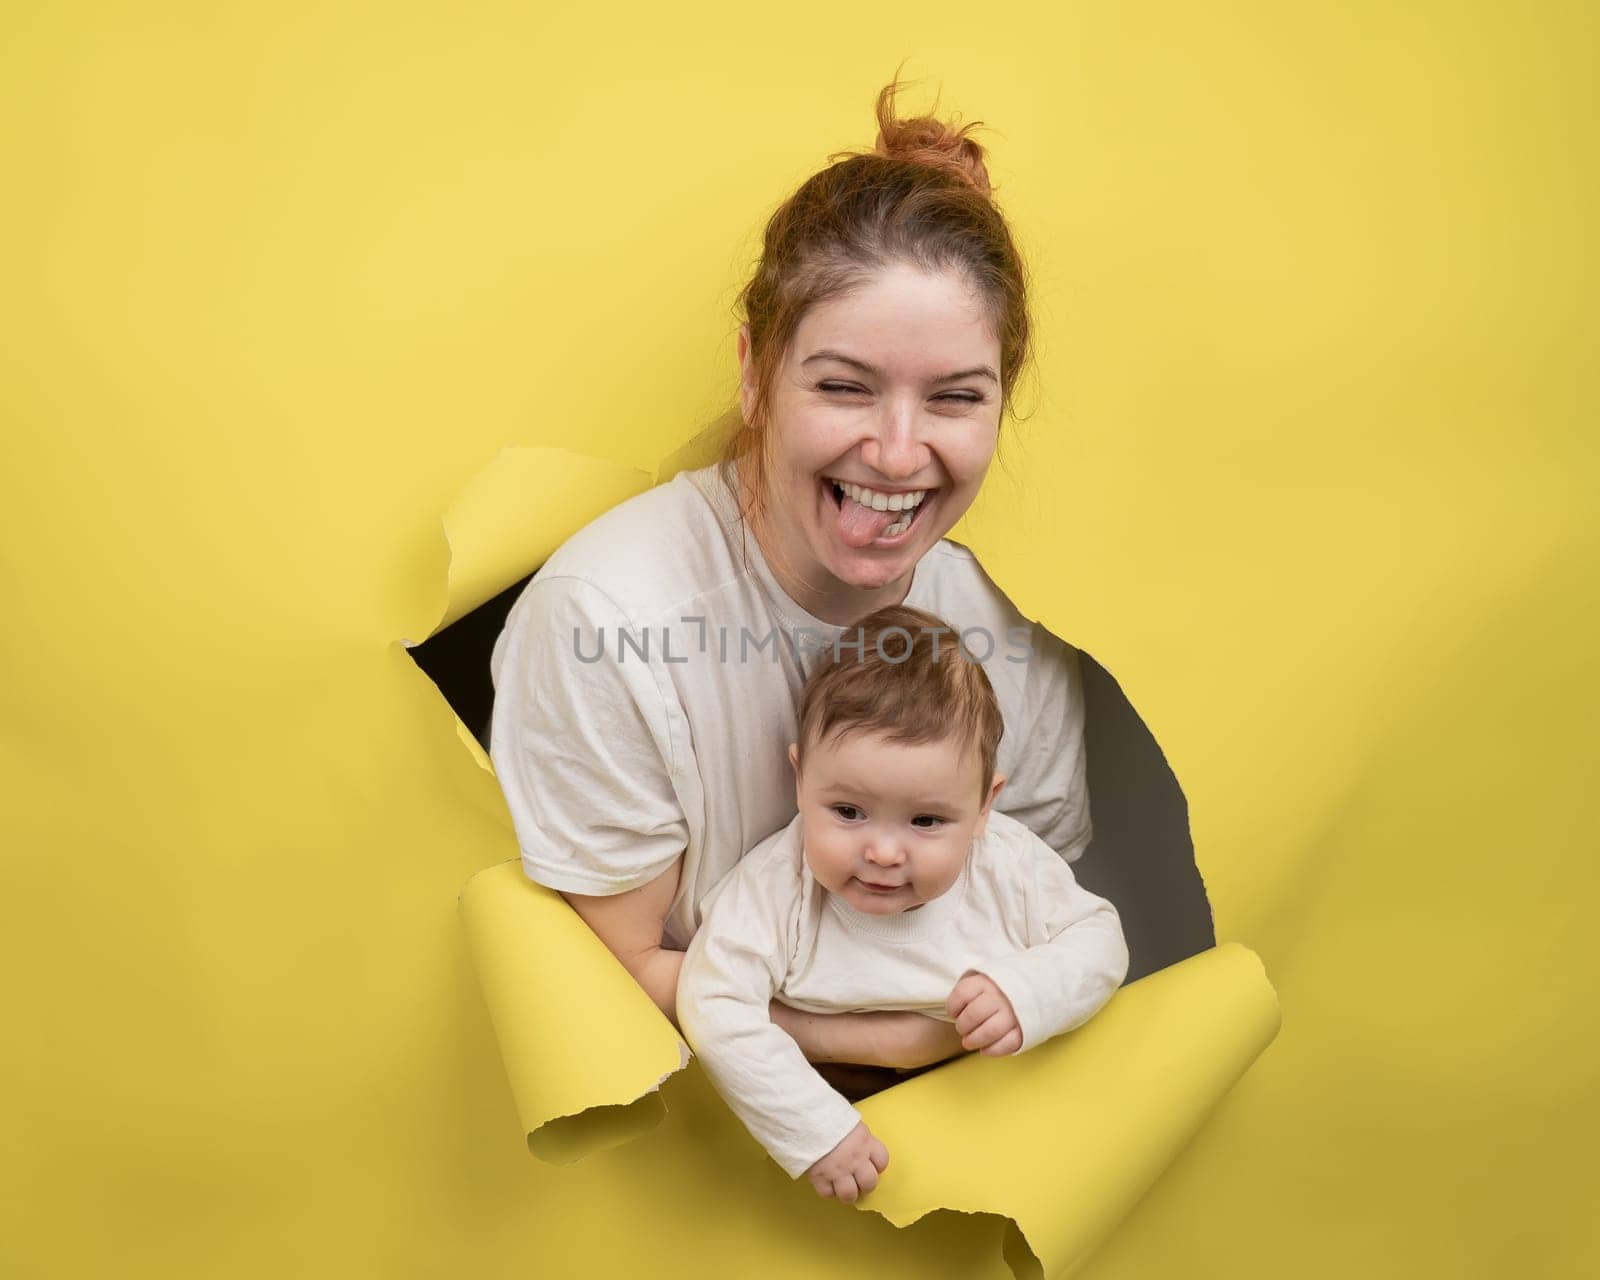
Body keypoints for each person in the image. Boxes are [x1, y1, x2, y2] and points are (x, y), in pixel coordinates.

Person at [488, 74, 1095, 1075]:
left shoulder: (1010, 638)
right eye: (843, 386)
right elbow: (618, 971)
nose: (899, 454)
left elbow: (1033, 919)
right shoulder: (607, 620)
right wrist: (900, 1035)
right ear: (754, 372)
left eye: (954, 397)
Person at [677, 606, 1128, 1203]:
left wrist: (1026, 990)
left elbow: (1099, 937)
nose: (884, 852)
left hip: (984, 1102)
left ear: (985, 806)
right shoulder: (775, 886)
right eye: (848, 812)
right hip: (828, 1107)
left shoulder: (1007, 865)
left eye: (926, 820)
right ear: (800, 778)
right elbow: (714, 1002)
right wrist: (813, 1128)